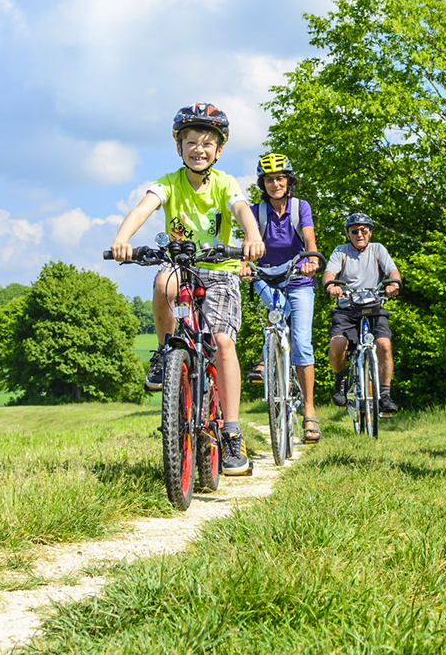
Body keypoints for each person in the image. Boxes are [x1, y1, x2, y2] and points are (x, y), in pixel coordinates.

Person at [110, 102, 265, 475]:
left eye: (207, 143)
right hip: (181, 267)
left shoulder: (226, 184)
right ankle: (166, 354)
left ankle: (230, 432)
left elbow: (241, 209)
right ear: (178, 147)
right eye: (191, 142)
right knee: (163, 279)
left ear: (219, 150)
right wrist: (122, 238)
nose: (199, 149)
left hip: (220, 272)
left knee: (223, 343)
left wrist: (253, 235)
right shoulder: (168, 183)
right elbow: (143, 208)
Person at [243, 152, 323, 444]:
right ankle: (269, 358)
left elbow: (309, 239)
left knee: (302, 342)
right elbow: (249, 243)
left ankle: (309, 412)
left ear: (289, 181)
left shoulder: (301, 207)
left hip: (298, 278)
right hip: (266, 277)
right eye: (268, 179)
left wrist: (311, 259)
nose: (275, 183)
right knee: (277, 315)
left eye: (280, 178)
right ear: (262, 184)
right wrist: (243, 264)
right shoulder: (256, 211)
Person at [322, 212, 402, 415]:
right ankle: (340, 381)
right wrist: (331, 285)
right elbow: (329, 273)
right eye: (354, 231)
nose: (359, 234)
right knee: (338, 343)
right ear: (348, 234)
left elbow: (393, 271)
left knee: (383, 344)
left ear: (370, 233)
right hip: (347, 309)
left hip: (374, 308)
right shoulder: (341, 252)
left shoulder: (378, 249)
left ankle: (384, 395)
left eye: (363, 231)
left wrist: (393, 283)